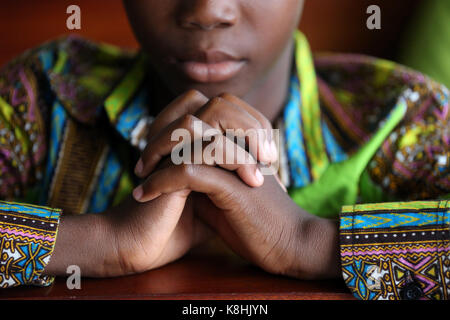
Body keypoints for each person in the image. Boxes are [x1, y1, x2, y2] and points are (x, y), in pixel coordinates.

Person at [0, 0, 448, 300]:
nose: (208, 10)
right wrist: (98, 241)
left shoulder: (403, 116)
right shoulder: (43, 97)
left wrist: (309, 242)